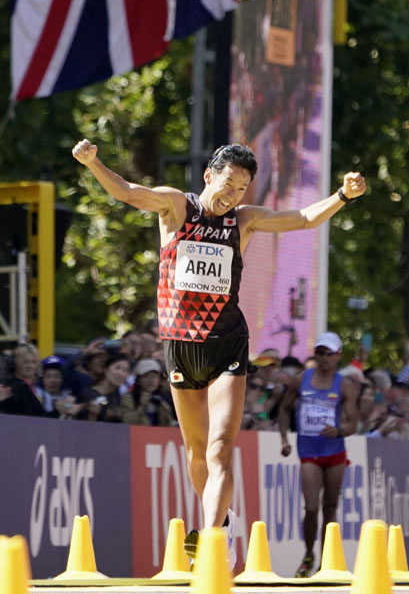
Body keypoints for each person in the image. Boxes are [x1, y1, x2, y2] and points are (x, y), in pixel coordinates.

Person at [72, 139, 366, 564]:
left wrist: (342, 196)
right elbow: (129, 192)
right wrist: (93, 163)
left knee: (220, 449)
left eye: (241, 189)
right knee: (195, 454)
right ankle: (224, 525)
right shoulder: (176, 206)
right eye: (228, 185)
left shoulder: (244, 221)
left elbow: (302, 219)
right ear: (209, 176)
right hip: (180, 346)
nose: (233, 196)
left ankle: (210, 541)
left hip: (227, 343)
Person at [278, 332, 358, 577]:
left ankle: (326, 561)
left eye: (329, 354)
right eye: (320, 353)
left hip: (334, 452)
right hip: (309, 451)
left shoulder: (345, 386)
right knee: (311, 507)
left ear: (338, 356)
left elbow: (354, 424)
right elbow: (284, 409)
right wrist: (284, 440)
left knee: (330, 508)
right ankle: (308, 554)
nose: (324, 358)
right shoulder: (300, 380)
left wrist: (339, 430)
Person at [120, 358, 174, 426]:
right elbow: (126, 422)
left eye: (154, 376)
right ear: (138, 379)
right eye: (146, 376)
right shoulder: (129, 398)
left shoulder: (161, 399)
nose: (150, 380)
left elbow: (167, 428)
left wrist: (166, 417)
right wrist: (142, 406)